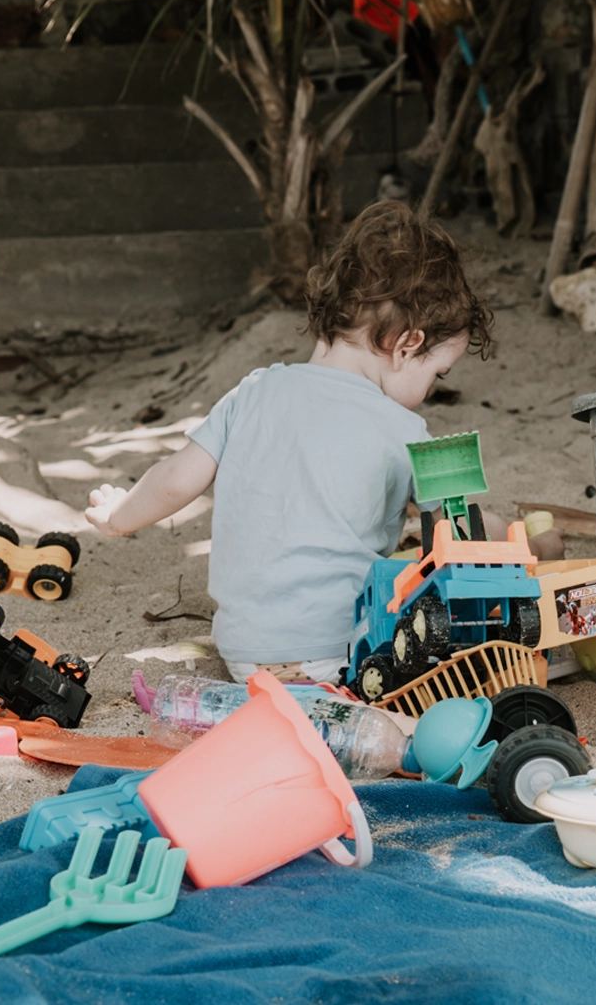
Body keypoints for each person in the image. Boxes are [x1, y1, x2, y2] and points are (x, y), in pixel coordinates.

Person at [85, 201, 498, 683]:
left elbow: (177, 480)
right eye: (437, 373)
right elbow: (458, 529)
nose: (431, 389)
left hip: (244, 651)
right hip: (346, 650)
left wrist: (119, 517)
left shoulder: (255, 390)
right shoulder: (404, 431)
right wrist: (524, 537)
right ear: (406, 346)